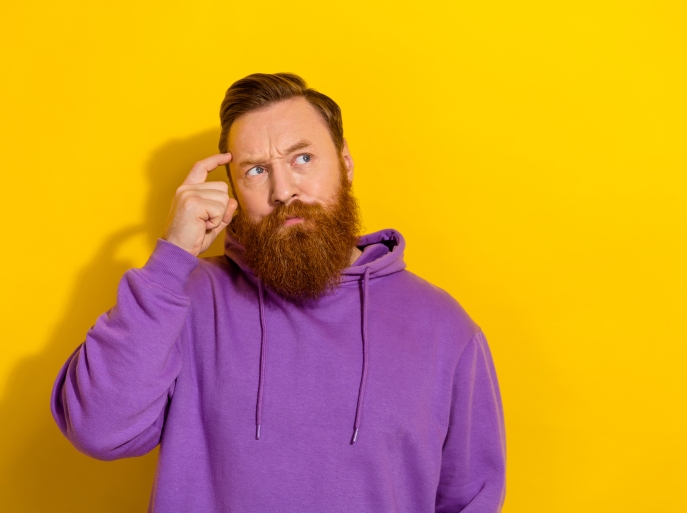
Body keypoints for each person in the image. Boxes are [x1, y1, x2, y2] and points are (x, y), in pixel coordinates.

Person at [51, 73, 507, 512]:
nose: (284, 189)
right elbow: (97, 428)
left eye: (302, 158)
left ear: (345, 163)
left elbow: (471, 500)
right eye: (255, 170)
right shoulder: (183, 299)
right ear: (232, 193)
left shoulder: (444, 327)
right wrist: (173, 256)